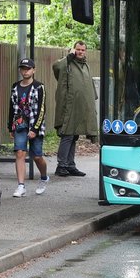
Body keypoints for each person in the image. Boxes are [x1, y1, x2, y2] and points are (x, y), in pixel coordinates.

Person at [52, 40, 98, 177]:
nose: (80, 52)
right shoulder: (66, 63)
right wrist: (68, 57)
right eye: (78, 49)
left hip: (81, 107)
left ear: (85, 51)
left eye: (83, 50)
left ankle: (70, 165)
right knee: (67, 134)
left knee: (74, 135)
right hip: (69, 106)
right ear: (73, 50)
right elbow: (56, 67)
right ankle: (61, 165)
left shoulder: (86, 65)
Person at [8, 58, 49, 197]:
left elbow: (42, 109)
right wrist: (10, 127)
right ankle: (21, 186)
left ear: (33, 70)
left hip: (34, 123)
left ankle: (44, 177)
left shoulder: (39, 86)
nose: (25, 71)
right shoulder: (15, 86)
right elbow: (11, 107)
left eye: (28, 69)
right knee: (19, 152)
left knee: (37, 156)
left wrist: (35, 129)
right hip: (19, 124)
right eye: (23, 68)